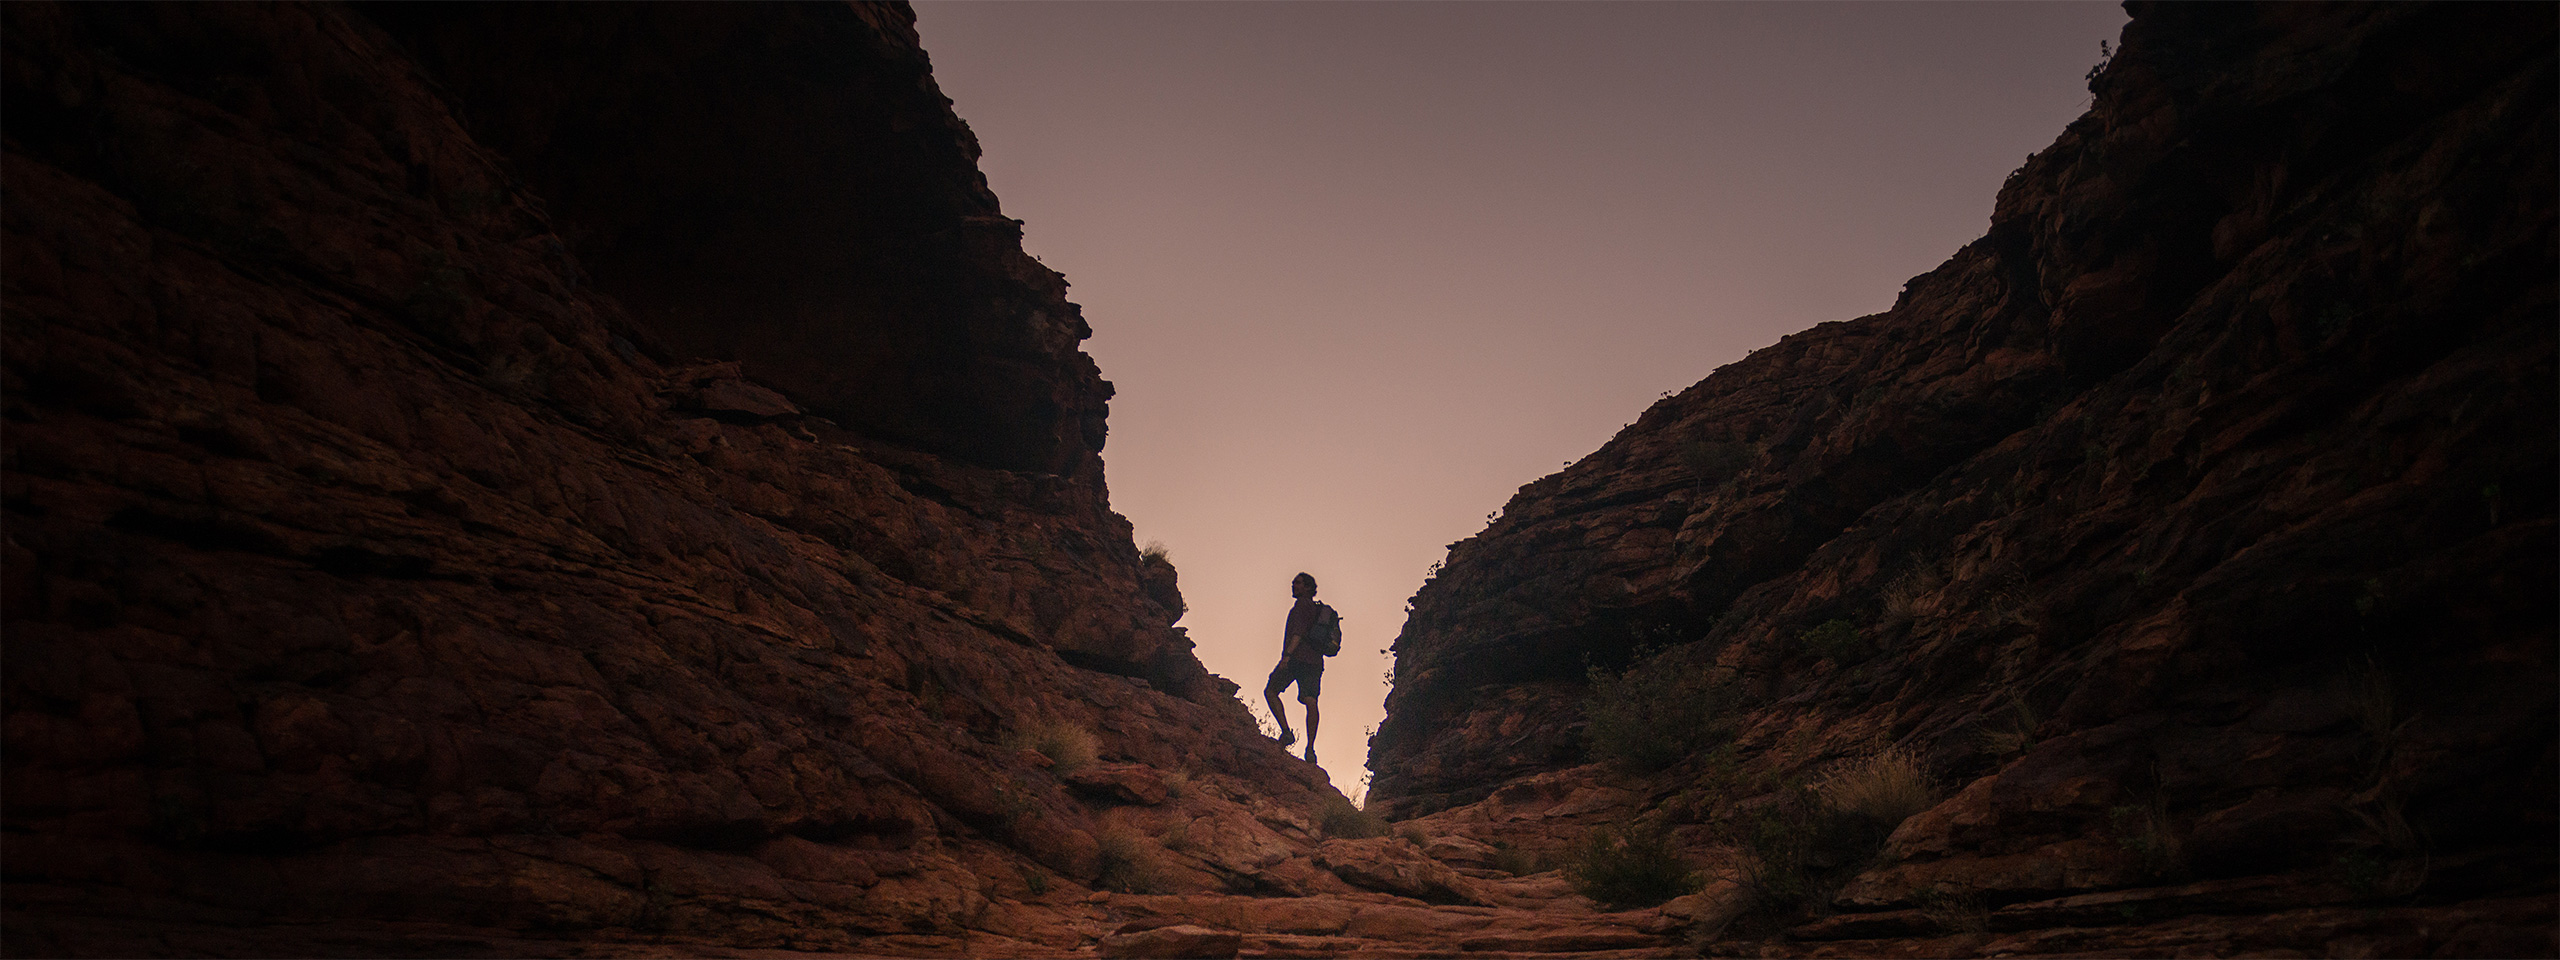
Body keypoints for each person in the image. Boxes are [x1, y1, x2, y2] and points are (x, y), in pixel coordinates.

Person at [1264, 572, 1325, 763]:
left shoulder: (1301, 606)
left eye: (1298, 583)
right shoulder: (1317, 610)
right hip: (1315, 662)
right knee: (1311, 700)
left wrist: (1287, 656)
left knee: (1271, 690)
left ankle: (1286, 732)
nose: (1293, 586)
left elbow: (1297, 634)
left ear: (1308, 587)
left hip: (1297, 658)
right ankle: (1310, 748)